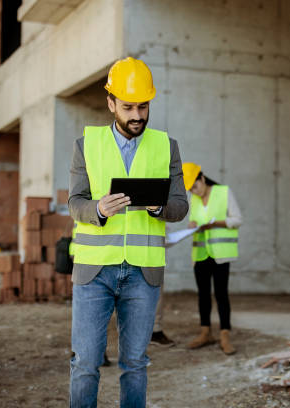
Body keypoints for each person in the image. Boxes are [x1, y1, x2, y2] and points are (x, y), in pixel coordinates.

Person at [68, 57, 188, 407]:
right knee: (86, 364)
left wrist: (158, 207)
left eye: (143, 106)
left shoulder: (167, 146)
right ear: (111, 103)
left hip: (143, 273)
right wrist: (99, 210)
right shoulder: (85, 145)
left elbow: (180, 207)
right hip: (94, 272)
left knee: (135, 364)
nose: (137, 115)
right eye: (128, 107)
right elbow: (75, 203)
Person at [181, 162, 242, 355]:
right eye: (190, 189)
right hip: (201, 254)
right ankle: (205, 332)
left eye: (195, 186)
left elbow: (238, 219)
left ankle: (225, 335)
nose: (194, 191)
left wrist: (218, 223)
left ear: (202, 178)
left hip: (220, 254)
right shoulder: (194, 199)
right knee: (203, 295)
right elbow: (195, 220)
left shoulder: (224, 192)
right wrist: (192, 224)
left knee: (221, 294)